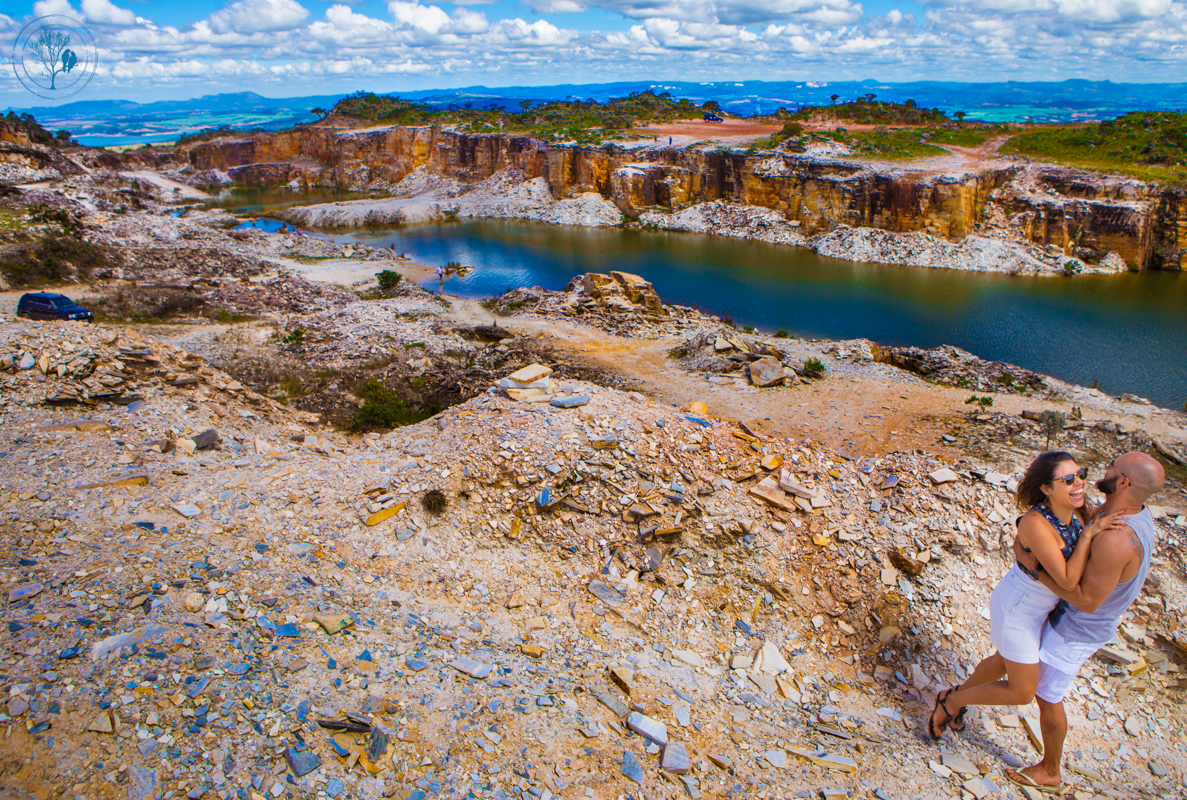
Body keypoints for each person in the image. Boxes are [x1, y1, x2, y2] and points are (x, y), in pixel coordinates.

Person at [928, 451, 1122, 740]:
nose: (1079, 482)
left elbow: (1086, 526)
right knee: (1022, 692)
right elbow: (1068, 581)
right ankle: (952, 702)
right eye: (1068, 479)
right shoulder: (1035, 523)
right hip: (1019, 608)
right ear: (1046, 488)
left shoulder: (1077, 510)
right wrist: (1088, 536)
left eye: (1081, 474)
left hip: (1041, 607)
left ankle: (954, 694)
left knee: (1001, 662)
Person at [1001, 452, 1164, 793]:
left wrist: (1033, 569)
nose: (1100, 471)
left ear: (1123, 482)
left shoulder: (1117, 537)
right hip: (1066, 614)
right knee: (1011, 659)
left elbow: (1087, 601)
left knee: (1047, 696)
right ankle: (957, 697)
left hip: (1076, 628)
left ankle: (1050, 769)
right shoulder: (1125, 509)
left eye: (1111, 467)